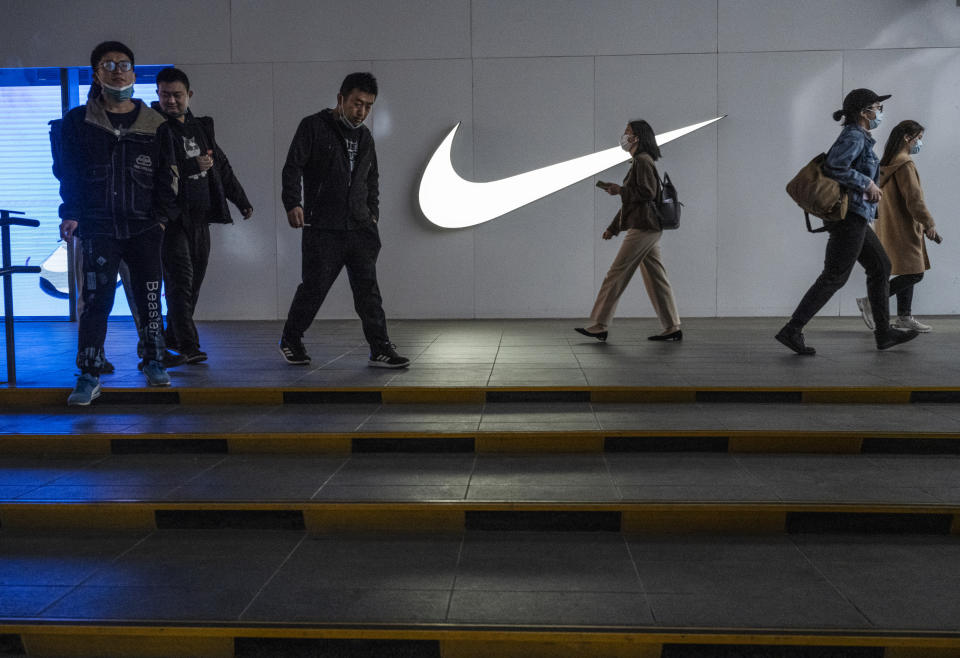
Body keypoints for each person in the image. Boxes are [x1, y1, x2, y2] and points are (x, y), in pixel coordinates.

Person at [59, 41, 178, 405]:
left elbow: (168, 176)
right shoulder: (79, 122)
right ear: (96, 73)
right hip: (98, 228)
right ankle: (89, 373)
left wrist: (160, 219)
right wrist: (71, 212)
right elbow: (68, 174)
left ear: (133, 72)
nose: (117, 70)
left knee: (150, 299)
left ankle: (154, 361)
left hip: (144, 228)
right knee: (97, 301)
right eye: (108, 64)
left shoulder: (155, 124)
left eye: (123, 64)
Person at [776, 88, 919, 355]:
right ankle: (792, 330)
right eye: (877, 107)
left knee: (880, 266)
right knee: (834, 276)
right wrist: (866, 182)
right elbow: (834, 166)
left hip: (855, 216)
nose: (880, 113)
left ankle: (883, 332)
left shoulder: (861, 137)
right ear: (864, 112)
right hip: (848, 217)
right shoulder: (854, 135)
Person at [279, 72, 408, 368]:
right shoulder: (313, 126)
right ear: (340, 99)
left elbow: (371, 178)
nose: (361, 111)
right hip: (322, 227)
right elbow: (292, 167)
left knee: (368, 293)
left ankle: (380, 348)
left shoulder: (365, 137)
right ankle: (291, 338)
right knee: (314, 288)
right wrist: (293, 202)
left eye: (367, 106)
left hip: (360, 228)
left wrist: (372, 213)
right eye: (356, 103)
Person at [153, 67, 253, 364]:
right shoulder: (154, 129)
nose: (170, 101)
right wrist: (190, 167)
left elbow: (221, 166)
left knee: (193, 282)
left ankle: (173, 335)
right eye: (164, 95)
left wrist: (241, 200)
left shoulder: (200, 127)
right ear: (157, 95)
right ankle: (188, 344)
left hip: (201, 218)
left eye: (177, 95)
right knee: (179, 281)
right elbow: (157, 173)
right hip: (172, 220)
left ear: (189, 95)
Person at [575, 120, 682, 343]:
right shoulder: (640, 161)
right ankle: (672, 327)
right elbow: (633, 204)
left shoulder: (642, 161)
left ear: (638, 138)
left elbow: (647, 192)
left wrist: (619, 190)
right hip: (648, 227)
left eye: (627, 133)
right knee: (656, 277)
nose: (624, 136)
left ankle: (599, 325)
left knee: (616, 274)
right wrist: (613, 228)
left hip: (644, 228)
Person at [857, 120, 941, 333]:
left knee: (908, 269)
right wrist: (928, 223)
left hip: (889, 226)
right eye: (918, 138)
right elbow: (914, 199)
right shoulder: (905, 164)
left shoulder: (887, 163)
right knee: (916, 272)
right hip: (905, 225)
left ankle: (904, 316)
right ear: (907, 137)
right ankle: (871, 302)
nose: (919, 143)